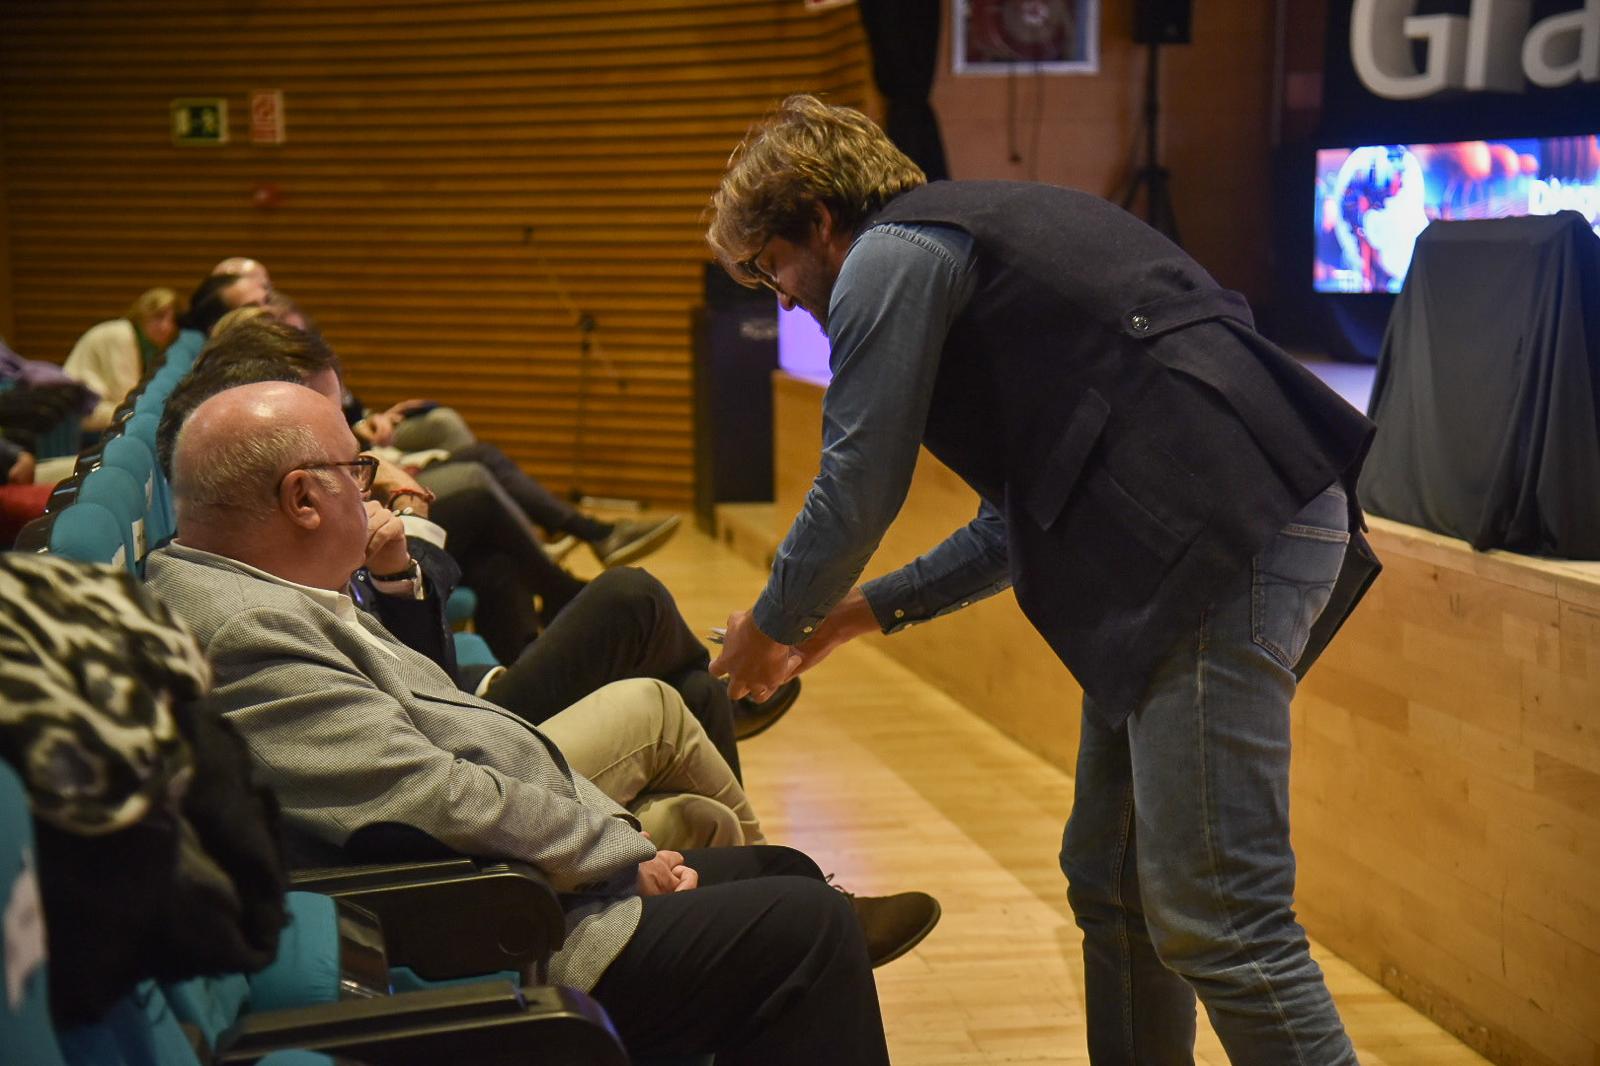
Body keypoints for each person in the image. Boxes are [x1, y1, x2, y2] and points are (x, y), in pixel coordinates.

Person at [704, 95, 1381, 1065]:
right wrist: (854, 615)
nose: (778, 295)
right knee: (1111, 880)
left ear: (817, 217)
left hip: (1219, 537)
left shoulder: (889, 256)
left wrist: (771, 626)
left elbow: (859, 481)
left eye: (768, 265)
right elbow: (1011, 521)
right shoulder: (968, 233)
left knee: (1220, 916)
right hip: (1200, 535)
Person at [144, 379, 932, 1063]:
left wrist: (623, 845)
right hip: (486, 927)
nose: (375, 484)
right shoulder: (245, 632)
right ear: (303, 500)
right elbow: (434, 800)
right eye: (356, 468)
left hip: (521, 884)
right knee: (807, 931)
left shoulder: (253, 587)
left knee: (785, 874)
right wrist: (623, 856)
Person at [62, 287, 181, 430]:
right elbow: (126, 396)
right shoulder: (123, 334)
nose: (166, 326)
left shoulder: (146, 344)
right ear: (142, 314)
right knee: (149, 420)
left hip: (96, 407)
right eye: (158, 316)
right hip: (83, 409)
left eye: (173, 320)